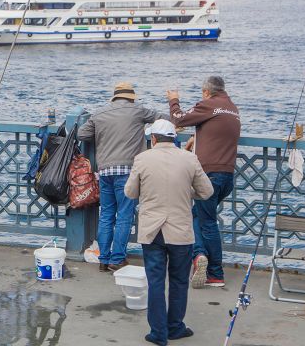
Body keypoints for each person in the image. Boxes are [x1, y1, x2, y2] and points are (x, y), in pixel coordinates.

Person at [124, 119, 213, 346]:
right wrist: (187, 192)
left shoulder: (142, 159)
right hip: (180, 230)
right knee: (179, 280)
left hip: (152, 231)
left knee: (155, 281)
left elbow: (131, 192)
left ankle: (158, 333)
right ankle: (175, 327)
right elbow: (207, 191)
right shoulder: (189, 158)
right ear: (174, 138)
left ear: (153, 138)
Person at [79, 81, 168, 272]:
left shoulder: (100, 114)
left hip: (104, 172)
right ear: (130, 98)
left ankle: (103, 259)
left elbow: (81, 133)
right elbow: (162, 119)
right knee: (124, 216)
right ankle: (117, 259)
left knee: (106, 215)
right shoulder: (138, 111)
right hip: (127, 171)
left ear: (115, 97)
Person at [167, 75, 241, 289]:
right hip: (227, 175)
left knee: (207, 223)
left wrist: (174, 99)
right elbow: (215, 133)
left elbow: (179, 119)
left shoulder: (208, 104)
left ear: (207, 92)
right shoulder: (232, 108)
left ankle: (213, 270)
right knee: (198, 216)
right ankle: (201, 258)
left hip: (209, 175)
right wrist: (197, 139)